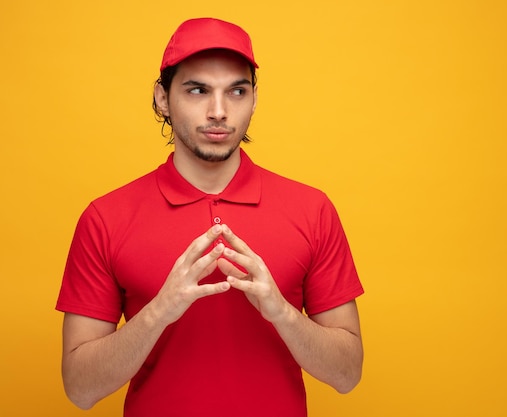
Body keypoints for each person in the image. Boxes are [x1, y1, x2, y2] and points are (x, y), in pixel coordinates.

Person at [56, 17, 364, 417]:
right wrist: (159, 311)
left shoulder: (312, 209)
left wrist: (281, 312)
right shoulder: (105, 217)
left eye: (236, 91)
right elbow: (80, 389)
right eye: (198, 90)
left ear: (254, 98)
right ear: (163, 98)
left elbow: (347, 374)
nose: (218, 111)